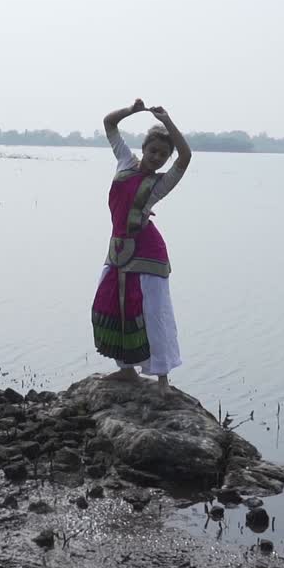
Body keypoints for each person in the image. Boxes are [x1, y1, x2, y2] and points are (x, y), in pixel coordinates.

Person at [91, 98, 192, 394]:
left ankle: (162, 379)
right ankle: (127, 370)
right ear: (143, 149)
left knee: (153, 312)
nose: (157, 157)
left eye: (163, 154)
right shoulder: (125, 161)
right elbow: (109, 123)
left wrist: (168, 121)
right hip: (119, 251)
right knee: (110, 306)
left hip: (148, 254)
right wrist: (133, 112)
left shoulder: (160, 184)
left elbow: (185, 157)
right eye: (153, 151)